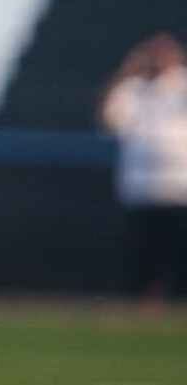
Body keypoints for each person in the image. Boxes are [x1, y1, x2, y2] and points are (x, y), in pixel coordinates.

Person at [100, 32, 187, 310]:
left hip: (179, 188)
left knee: (179, 252)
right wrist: (127, 71)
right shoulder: (132, 89)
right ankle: (146, 307)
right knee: (144, 256)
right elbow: (108, 118)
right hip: (142, 190)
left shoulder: (182, 86)